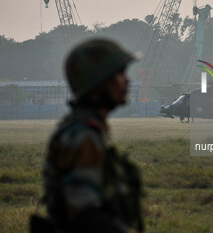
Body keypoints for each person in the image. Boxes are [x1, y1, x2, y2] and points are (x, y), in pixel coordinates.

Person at [37, 39, 143, 233]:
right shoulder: (82, 135)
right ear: (98, 84)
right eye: (119, 74)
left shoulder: (89, 130)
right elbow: (85, 217)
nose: (127, 80)